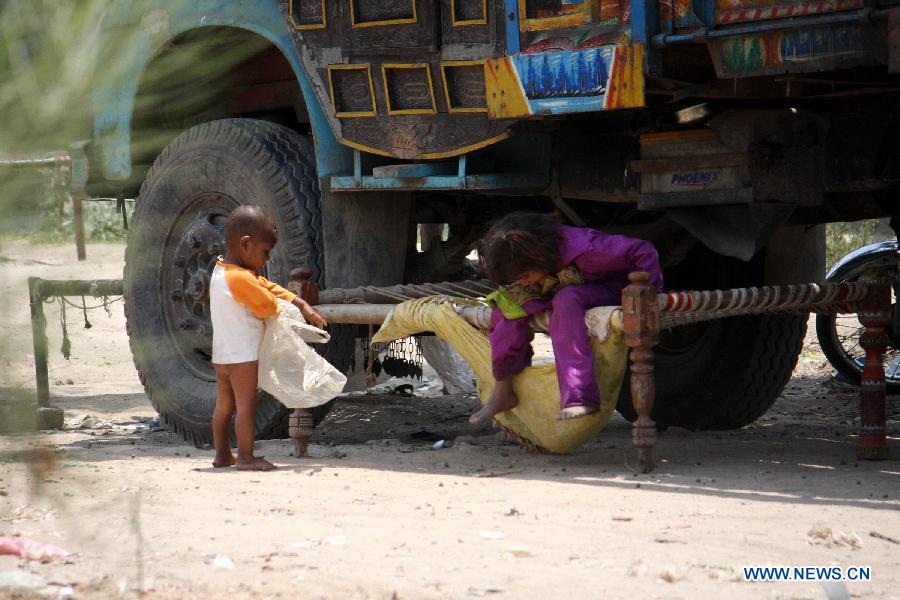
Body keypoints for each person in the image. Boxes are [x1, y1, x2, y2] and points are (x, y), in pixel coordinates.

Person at [470, 212, 663, 424]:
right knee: (507, 307)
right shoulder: (533, 264)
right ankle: (503, 390)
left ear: (539, 257)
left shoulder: (589, 249)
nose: (523, 282)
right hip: (556, 284)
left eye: (524, 276)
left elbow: (642, 250)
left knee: (566, 299)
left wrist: (647, 295)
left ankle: (579, 395)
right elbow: (527, 283)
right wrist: (526, 282)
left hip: (611, 290)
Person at [209, 205, 327, 471]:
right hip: (243, 357)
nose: (267, 259)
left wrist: (299, 302)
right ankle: (247, 457)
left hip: (222, 356)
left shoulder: (221, 271)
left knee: (224, 407)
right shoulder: (241, 279)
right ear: (246, 244)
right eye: (265, 252)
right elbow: (266, 306)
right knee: (246, 408)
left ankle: (222, 455)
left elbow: (265, 286)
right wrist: (288, 307)